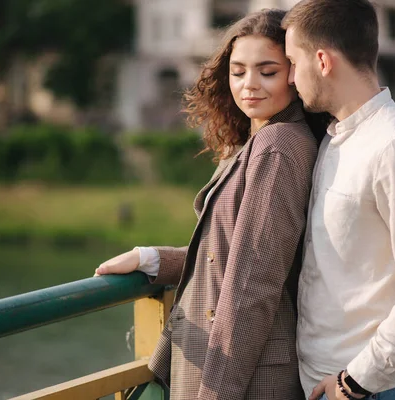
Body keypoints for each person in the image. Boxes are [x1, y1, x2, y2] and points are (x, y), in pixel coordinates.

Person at [95, 9, 328, 400]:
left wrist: (217, 394)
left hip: (240, 377)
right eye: (238, 72)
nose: (249, 85)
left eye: (267, 71)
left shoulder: (278, 145)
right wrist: (152, 259)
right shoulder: (258, 141)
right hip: (228, 365)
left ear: (294, 73)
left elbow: (253, 284)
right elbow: (229, 256)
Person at [281, 1, 395, 399]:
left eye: (293, 62)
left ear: (323, 61)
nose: (291, 79)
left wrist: (354, 382)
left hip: (373, 389)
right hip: (327, 384)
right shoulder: (336, 137)